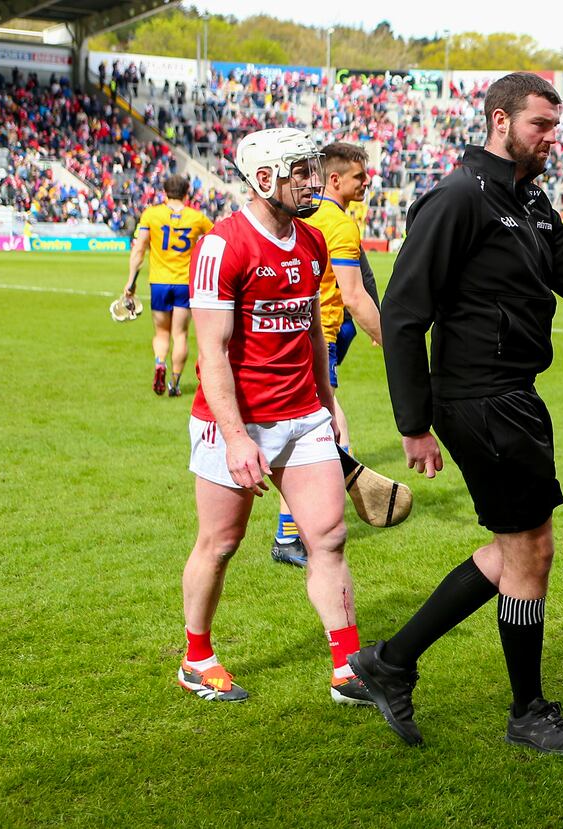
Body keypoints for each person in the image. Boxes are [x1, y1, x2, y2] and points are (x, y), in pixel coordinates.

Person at [349, 72, 563, 753]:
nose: (550, 140)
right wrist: (413, 422)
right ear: (501, 121)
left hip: (515, 394)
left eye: (554, 127)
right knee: (530, 550)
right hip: (477, 396)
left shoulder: (529, 201)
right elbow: (405, 313)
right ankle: (527, 711)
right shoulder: (456, 198)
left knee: (517, 548)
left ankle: (390, 660)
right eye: (541, 126)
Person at [177, 128, 372, 707]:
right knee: (221, 541)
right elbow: (212, 352)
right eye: (299, 173)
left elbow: (311, 325)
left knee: (329, 537)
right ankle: (196, 657)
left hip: (303, 414)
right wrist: (237, 438)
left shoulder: (311, 240)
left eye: (313, 171)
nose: (312, 182)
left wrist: (329, 401)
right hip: (233, 420)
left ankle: (348, 667)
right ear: (263, 179)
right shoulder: (223, 245)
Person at [270, 141, 384, 568]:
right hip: (320, 336)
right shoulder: (338, 223)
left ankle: (296, 531)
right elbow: (353, 294)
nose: (366, 183)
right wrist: (394, 344)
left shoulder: (303, 213)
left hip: (293, 333)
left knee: (316, 429)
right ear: (335, 179)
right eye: (359, 176)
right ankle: (299, 533)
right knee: (325, 433)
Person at [123, 174, 213, 396]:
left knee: (161, 333)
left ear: (164, 192)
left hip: (160, 283)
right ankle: (174, 383)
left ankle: (159, 363)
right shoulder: (196, 217)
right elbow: (217, 239)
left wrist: (131, 282)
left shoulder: (152, 215)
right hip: (185, 284)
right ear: (186, 193)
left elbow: (139, 250)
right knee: (180, 335)